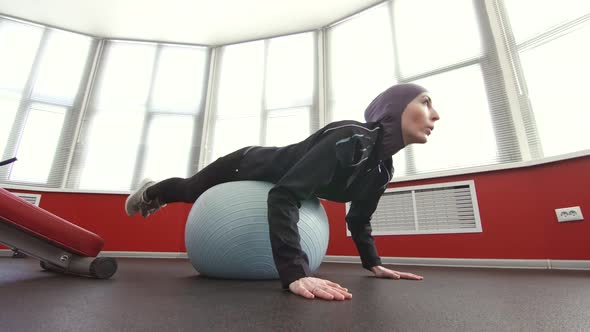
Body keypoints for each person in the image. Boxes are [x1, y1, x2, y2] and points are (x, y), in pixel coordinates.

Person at [125, 83, 440, 301]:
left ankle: (155, 194)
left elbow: (358, 219)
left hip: (274, 178)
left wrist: (373, 262)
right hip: (245, 164)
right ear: (394, 108)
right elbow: (283, 195)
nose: (435, 115)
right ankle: (151, 193)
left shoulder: (383, 169)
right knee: (190, 189)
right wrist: (294, 273)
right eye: (425, 102)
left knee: (191, 189)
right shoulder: (351, 137)